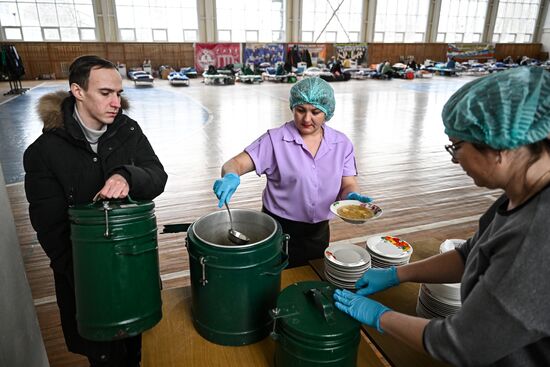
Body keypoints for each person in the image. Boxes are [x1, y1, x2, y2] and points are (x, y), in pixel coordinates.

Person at [333, 66, 550, 366]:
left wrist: (380, 316)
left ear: (499, 145)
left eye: (457, 146)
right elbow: (469, 255)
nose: (454, 159)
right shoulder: (521, 193)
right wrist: (397, 274)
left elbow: (464, 344)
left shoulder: (537, 237)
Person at [24, 55, 168, 366]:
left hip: (134, 270)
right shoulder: (43, 153)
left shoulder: (128, 130)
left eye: (119, 93)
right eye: (105, 93)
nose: (116, 102)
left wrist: (126, 175)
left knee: (137, 350)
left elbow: (157, 176)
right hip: (86, 281)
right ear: (77, 91)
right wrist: (97, 283)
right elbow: (50, 231)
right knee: (104, 357)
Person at [213, 77, 371, 268]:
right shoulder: (275, 140)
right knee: (276, 277)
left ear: (327, 112)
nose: (306, 119)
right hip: (279, 228)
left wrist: (351, 197)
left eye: (315, 112)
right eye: (300, 110)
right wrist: (230, 175)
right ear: (292, 107)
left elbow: (348, 183)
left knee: (311, 275)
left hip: (318, 231)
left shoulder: (341, 143)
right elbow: (235, 163)